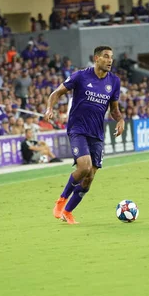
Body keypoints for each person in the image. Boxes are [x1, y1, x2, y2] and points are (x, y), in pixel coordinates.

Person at [44, 46, 124, 224]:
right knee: (84, 166)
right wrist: (50, 108)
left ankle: (68, 212)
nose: (110, 60)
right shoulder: (81, 76)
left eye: (111, 57)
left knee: (89, 177)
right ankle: (61, 200)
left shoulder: (114, 81)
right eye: (106, 56)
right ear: (96, 58)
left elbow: (114, 109)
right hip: (77, 129)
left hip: (97, 133)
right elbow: (56, 93)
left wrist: (120, 120)